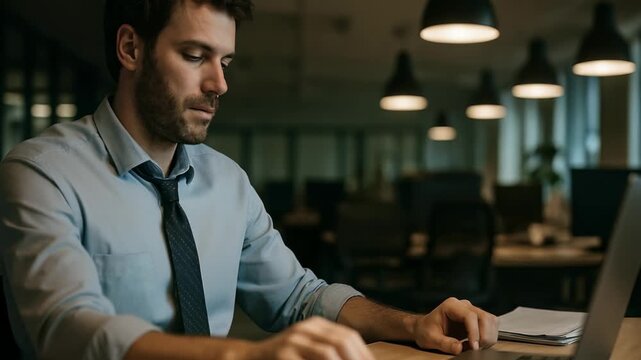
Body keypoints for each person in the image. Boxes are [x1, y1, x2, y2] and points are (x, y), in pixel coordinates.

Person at [0, 1, 498, 359]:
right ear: (131, 48)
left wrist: (413, 323)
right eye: (196, 56)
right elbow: (67, 330)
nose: (220, 84)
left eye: (225, 61)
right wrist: (244, 356)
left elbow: (299, 297)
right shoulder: (43, 173)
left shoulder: (228, 183)